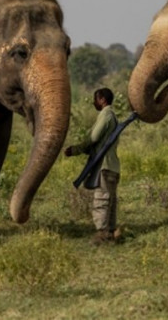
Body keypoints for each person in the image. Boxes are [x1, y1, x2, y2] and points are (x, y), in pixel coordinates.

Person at [64, 87, 120, 244]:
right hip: (113, 167)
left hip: (105, 166)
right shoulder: (112, 115)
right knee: (111, 202)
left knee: (101, 201)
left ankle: (102, 235)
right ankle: (111, 233)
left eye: (96, 99)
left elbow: (94, 137)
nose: (94, 103)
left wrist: (76, 149)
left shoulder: (106, 115)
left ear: (102, 100)